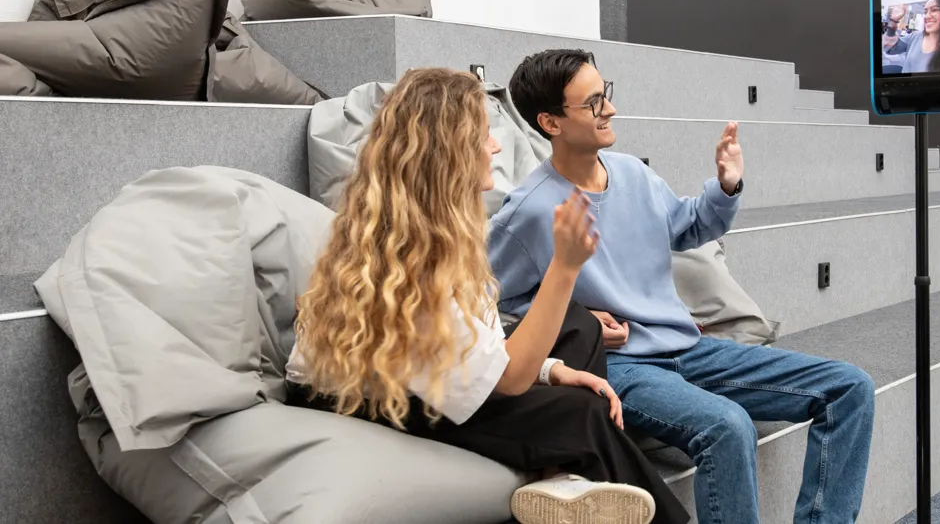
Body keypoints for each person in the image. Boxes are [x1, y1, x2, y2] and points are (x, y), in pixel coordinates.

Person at [286, 67, 690, 524]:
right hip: (363, 399)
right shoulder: (413, 261)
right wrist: (565, 265)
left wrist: (553, 370)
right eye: (482, 137)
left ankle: (561, 474)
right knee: (580, 414)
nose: (495, 147)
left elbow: (481, 346)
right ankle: (645, 507)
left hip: (421, 373)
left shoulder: (437, 226)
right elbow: (508, 381)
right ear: (450, 153)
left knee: (577, 324)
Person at [490, 50, 876, 524]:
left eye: (605, 94)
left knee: (850, 387)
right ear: (550, 121)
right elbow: (496, 308)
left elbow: (688, 226)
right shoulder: (528, 210)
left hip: (688, 349)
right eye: (592, 103)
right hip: (621, 369)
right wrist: (579, 321)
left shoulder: (631, 172)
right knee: (728, 426)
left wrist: (726, 186)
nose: (609, 109)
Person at [895, 0, 940, 74]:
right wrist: (893, 22)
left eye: (934, 10)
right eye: (925, 12)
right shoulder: (915, 36)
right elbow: (890, 48)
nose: (927, 16)